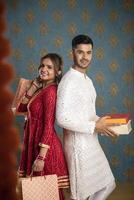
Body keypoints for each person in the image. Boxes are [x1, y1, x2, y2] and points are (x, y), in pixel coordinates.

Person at [56, 35, 118, 200]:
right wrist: (94, 127)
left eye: (88, 52)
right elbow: (61, 118)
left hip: (92, 142)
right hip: (78, 148)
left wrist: (105, 124)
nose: (85, 57)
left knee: (108, 184)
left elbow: (88, 113)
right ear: (72, 53)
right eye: (80, 52)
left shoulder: (88, 81)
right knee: (81, 195)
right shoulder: (68, 81)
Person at [17, 53, 69, 200]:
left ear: (58, 72)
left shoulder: (51, 92)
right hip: (34, 143)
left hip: (45, 148)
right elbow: (21, 109)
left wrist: (41, 157)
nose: (44, 69)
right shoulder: (42, 90)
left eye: (49, 67)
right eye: (42, 65)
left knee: (47, 193)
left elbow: (48, 124)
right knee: (40, 194)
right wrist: (33, 87)